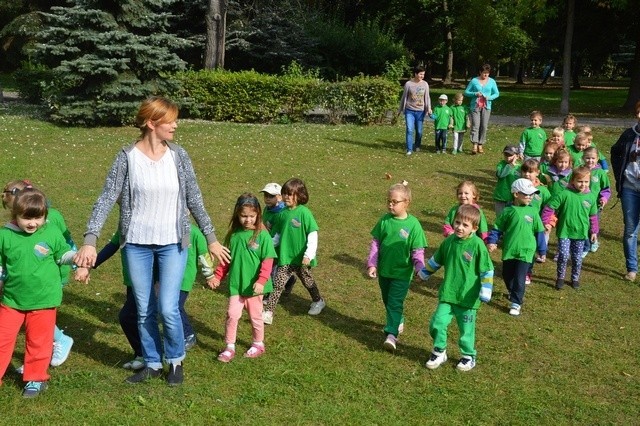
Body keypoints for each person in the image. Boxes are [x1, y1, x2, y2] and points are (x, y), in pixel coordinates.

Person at [73, 96, 230, 386]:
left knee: (168, 307)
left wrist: (210, 238)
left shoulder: (179, 156)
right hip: (136, 245)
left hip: (173, 243)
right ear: (151, 123)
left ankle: (175, 361)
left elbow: (194, 198)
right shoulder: (127, 157)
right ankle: (153, 363)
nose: (175, 125)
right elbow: (106, 199)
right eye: (169, 120)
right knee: (143, 308)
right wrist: (90, 239)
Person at [79, 223, 215, 370]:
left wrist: (158, 281)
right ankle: (146, 354)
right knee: (135, 318)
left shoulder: (165, 228)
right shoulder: (126, 225)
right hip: (133, 280)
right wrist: (89, 265)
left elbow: (161, 254)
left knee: (135, 316)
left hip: (150, 282)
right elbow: (112, 247)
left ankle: (159, 355)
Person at [0, 188, 77, 398]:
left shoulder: (50, 233)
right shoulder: (4, 236)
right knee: (2, 339)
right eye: (27, 218)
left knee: (38, 341)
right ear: (15, 214)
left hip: (43, 299)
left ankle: (35, 378)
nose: (33, 223)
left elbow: (64, 254)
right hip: (11, 300)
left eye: (38, 217)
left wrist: (76, 259)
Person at [419, 205, 494, 371]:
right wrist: (425, 273)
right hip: (448, 294)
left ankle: (468, 355)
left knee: (466, 330)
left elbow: (487, 269)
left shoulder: (477, 245)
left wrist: (486, 289)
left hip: (468, 298)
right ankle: (439, 351)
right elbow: (437, 260)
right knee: (437, 323)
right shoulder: (449, 242)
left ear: (474, 228)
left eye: (465, 225)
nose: (460, 227)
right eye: (457, 222)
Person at [209, 193, 276, 362]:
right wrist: (218, 276)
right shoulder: (234, 235)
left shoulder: (262, 235)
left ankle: (258, 343)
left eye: (252, 216)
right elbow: (226, 261)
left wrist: (261, 281)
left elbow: (268, 261)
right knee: (232, 314)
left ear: (258, 215)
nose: (248, 220)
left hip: (254, 288)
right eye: (244, 216)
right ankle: (229, 347)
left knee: (255, 316)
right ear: (237, 215)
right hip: (237, 285)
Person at [367, 183, 427, 352]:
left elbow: (418, 251)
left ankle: (391, 334)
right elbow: (375, 243)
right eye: (388, 201)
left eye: (395, 201)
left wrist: (419, 267)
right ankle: (398, 319)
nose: (390, 204)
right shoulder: (385, 220)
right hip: (385, 272)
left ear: (406, 202)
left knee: (394, 301)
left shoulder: (414, 225)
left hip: (402, 274)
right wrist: (372, 263)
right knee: (387, 300)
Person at [262, 178, 325, 325]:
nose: (286, 197)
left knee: (307, 281)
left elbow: (312, 234)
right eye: (284, 194)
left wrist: (309, 255)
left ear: (300, 195)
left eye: (290, 194)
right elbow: (276, 235)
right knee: (278, 284)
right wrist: (267, 248)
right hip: (286, 257)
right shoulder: (281, 214)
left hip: (301, 258)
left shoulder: (305, 213)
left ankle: (318, 301)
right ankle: (268, 313)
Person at [487, 179, 547, 316]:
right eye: (526, 194)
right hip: (510, 250)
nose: (530, 197)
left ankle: (516, 302)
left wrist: (542, 250)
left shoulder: (533, 211)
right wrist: (492, 241)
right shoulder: (508, 211)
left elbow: (539, 232)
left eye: (532, 194)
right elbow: (498, 228)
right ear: (516, 194)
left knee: (520, 278)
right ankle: (513, 291)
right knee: (507, 275)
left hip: (527, 251)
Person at [542, 167, 599, 290]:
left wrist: (594, 231)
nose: (583, 184)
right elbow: (550, 207)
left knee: (577, 258)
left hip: (580, 233)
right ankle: (560, 277)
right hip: (565, 231)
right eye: (580, 181)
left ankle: (575, 278)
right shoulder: (564, 194)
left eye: (586, 182)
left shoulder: (591, 197)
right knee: (563, 255)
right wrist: (545, 221)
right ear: (572, 180)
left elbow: (593, 216)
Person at [610, 101, 640, 281]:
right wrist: (620, 173)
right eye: (639, 112)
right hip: (630, 188)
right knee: (630, 230)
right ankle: (632, 268)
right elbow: (615, 152)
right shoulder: (629, 134)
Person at [260, 182, 295, 298]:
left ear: (280, 197)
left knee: (273, 271)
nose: (267, 199)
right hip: (268, 243)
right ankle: (289, 280)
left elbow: (279, 235)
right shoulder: (267, 209)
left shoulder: (282, 213)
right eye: (266, 196)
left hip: (278, 248)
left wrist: (267, 245)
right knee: (268, 268)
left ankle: (269, 295)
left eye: (271, 196)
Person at [520, 159, 552, 265]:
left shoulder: (542, 191)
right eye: (524, 171)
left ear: (537, 172)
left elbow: (550, 207)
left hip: (536, 225)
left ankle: (528, 270)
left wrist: (549, 222)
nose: (527, 174)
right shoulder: (517, 187)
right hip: (521, 223)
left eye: (530, 172)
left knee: (532, 248)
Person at [464, 63, 500, 155]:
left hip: (486, 106)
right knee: (475, 125)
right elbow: (466, 92)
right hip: (475, 106)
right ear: (480, 72)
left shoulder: (492, 81)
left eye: (487, 73)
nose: (486, 75)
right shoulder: (474, 81)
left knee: (484, 126)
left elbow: (496, 93)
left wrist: (489, 97)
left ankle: (481, 143)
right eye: (484, 73)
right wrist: (475, 93)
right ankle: (474, 144)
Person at [581, 146, 610, 255]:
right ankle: (586, 246)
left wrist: (604, 198)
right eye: (588, 158)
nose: (590, 161)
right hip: (581, 204)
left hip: (595, 205)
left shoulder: (600, 173)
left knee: (592, 225)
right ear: (583, 158)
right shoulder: (580, 170)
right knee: (584, 225)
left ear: (597, 158)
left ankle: (593, 240)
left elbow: (606, 189)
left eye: (593, 158)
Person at [398, 66, 432, 156]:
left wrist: (429, 108)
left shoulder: (425, 84)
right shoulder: (408, 84)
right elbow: (404, 97)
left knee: (419, 131)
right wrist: (400, 109)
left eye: (423, 74)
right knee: (409, 129)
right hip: (409, 110)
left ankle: (417, 145)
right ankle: (409, 149)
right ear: (415, 74)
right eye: (420, 74)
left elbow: (427, 97)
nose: (422, 76)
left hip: (420, 111)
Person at [493, 145, 521, 216]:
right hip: (500, 197)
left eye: (510, 155)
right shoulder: (501, 164)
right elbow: (501, 175)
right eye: (506, 154)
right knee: (500, 218)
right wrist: (511, 165)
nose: (507, 157)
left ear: (516, 156)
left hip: (512, 198)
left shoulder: (520, 168)